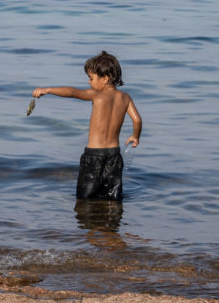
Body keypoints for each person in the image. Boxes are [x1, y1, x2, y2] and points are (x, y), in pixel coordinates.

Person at [32, 51, 141, 201]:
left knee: (85, 196)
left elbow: (72, 92)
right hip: (114, 155)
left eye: (91, 78)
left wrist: (47, 90)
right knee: (113, 195)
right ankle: (112, 221)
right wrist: (135, 136)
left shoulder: (96, 95)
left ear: (105, 79)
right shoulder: (125, 98)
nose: (89, 82)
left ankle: (88, 220)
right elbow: (137, 120)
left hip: (94, 155)